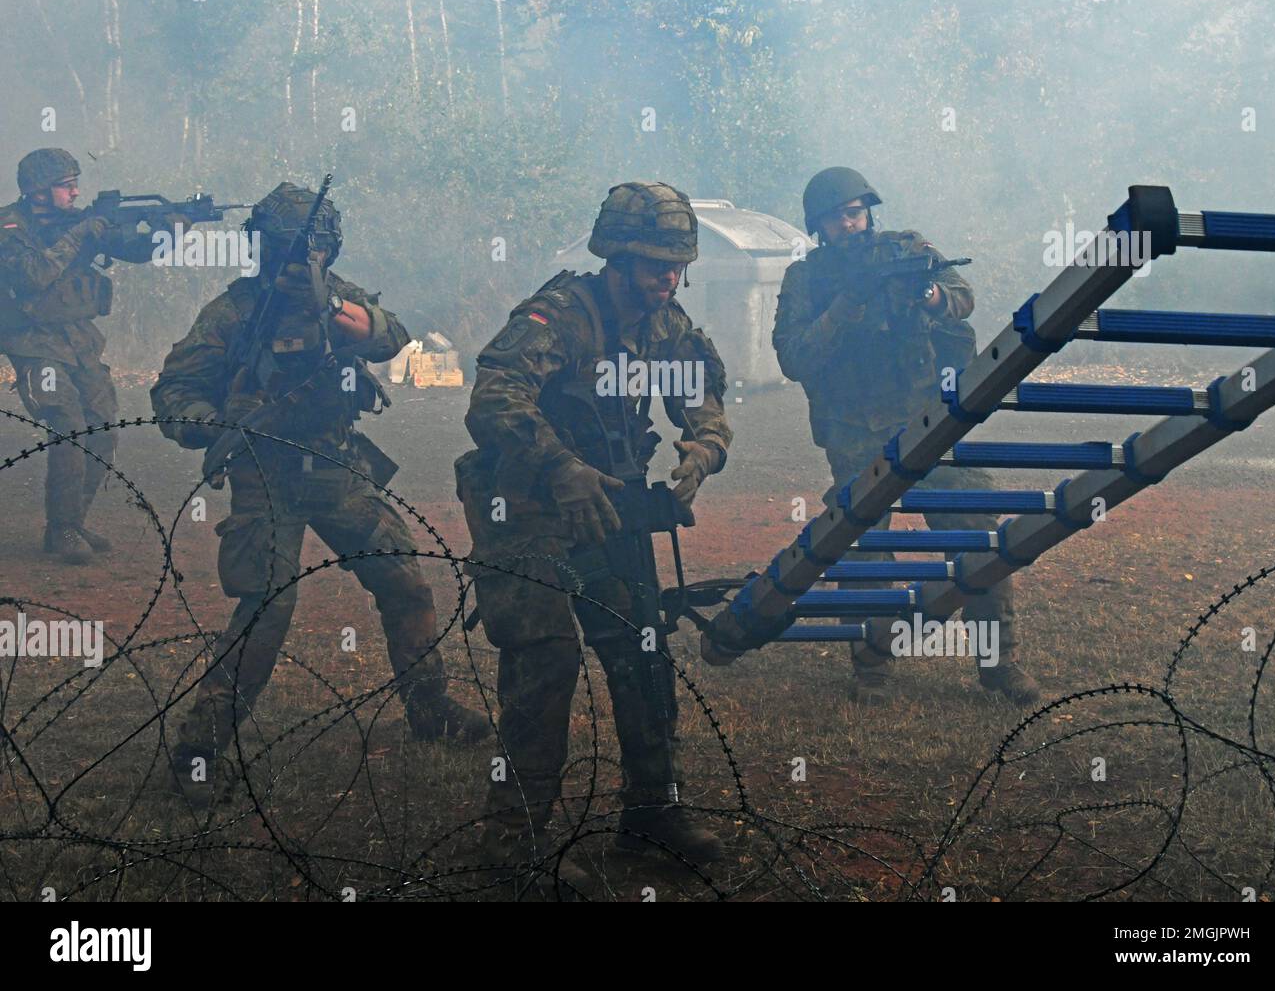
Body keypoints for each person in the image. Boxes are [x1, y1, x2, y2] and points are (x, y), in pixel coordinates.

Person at [150, 181, 487, 799]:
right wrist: (220, 421)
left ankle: (429, 706)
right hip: (265, 472)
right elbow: (172, 395)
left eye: (315, 253)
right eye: (293, 253)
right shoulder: (233, 314)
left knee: (404, 580)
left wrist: (326, 306)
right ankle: (199, 750)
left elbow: (392, 336)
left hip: (332, 463)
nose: (306, 264)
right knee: (267, 609)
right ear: (263, 250)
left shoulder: (337, 302)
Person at [456, 181, 732, 875]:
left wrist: (702, 450)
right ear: (615, 258)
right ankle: (512, 844)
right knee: (545, 661)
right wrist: (559, 466)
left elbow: (702, 393)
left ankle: (651, 815)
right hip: (524, 506)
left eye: (676, 264)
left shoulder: (666, 324)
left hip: (608, 502)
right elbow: (493, 400)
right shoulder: (560, 317)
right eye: (652, 264)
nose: (667, 278)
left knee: (645, 651)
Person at [770, 166, 1040, 707]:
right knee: (865, 549)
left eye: (856, 212)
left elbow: (963, 298)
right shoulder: (808, 280)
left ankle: (998, 663)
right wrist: (847, 305)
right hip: (854, 432)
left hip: (927, 421)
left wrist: (930, 291)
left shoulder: (907, 248)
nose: (850, 223)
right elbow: (795, 358)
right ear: (818, 226)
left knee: (978, 534)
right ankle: (871, 666)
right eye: (837, 217)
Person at [0, 148, 155, 562]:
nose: (75, 192)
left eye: (75, 184)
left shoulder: (77, 221)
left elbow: (136, 250)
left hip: (79, 340)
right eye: (66, 185)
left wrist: (169, 231)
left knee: (102, 429)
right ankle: (62, 530)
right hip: (32, 342)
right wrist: (82, 233)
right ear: (37, 191)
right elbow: (33, 276)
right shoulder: (9, 226)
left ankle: (74, 519)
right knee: (68, 425)